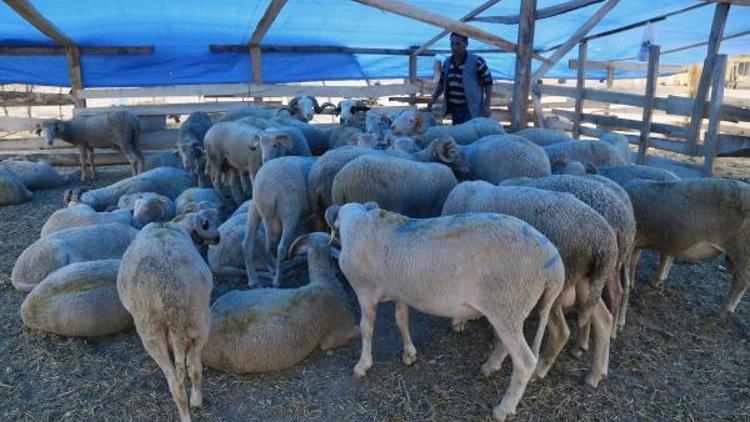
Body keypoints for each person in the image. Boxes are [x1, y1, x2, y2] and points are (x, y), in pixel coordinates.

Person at [427, 32, 493, 125]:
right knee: (459, 136)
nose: (454, 47)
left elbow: (488, 83)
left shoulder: (477, 61)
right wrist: (433, 98)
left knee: (470, 136)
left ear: (466, 44)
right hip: (455, 109)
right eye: (452, 44)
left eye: (458, 44)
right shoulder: (447, 62)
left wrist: (486, 106)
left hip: (471, 111)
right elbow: (442, 83)